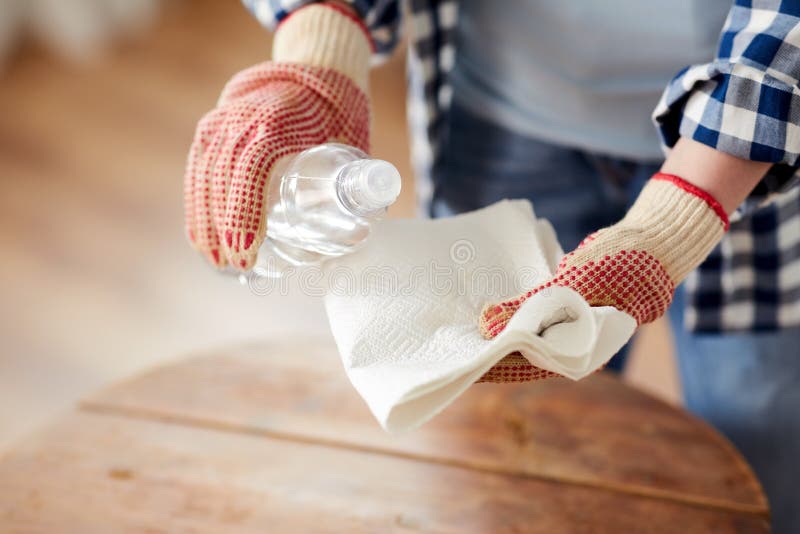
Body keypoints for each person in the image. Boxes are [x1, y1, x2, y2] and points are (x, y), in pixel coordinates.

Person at [183, 1, 800, 530]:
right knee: (516, 453)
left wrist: (670, 226)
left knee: (758, 442)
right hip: (503, 122)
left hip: (758, 151)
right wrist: (318, 52)